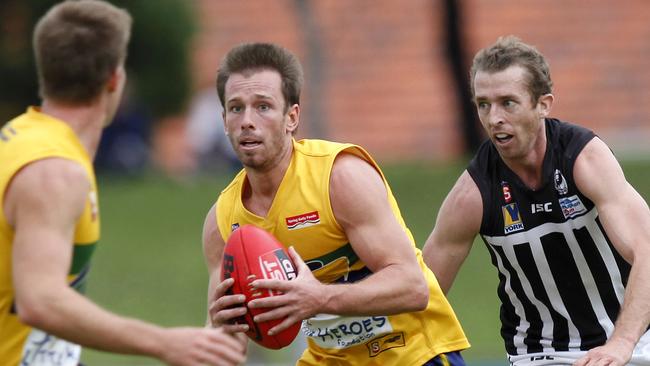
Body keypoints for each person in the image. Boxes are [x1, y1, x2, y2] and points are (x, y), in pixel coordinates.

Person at [0, 1, 245, 365]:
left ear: (46, 73)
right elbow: (40, 302)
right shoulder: (54, 172)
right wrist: (164, 343)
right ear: (115, 79)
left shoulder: (23, 135)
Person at [202, 42, 470, 365]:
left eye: (262, 107)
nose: (247, 120)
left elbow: (413, 286)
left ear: (292, 117)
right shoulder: (223, 223)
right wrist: (223, 327)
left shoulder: (339, 178)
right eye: (236, 108)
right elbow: (224, 341)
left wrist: (320, 297)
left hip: (411, 354)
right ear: (224, 120)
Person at [422, 35, 650, 366]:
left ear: (543, 104)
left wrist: (622, 343)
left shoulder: (583, 159)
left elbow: (646, 250)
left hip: (634, 342)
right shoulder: (473, 193)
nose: (493, 117)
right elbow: (424, 293)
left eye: (508, 103)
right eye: (483, 104)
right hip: (541, 353)